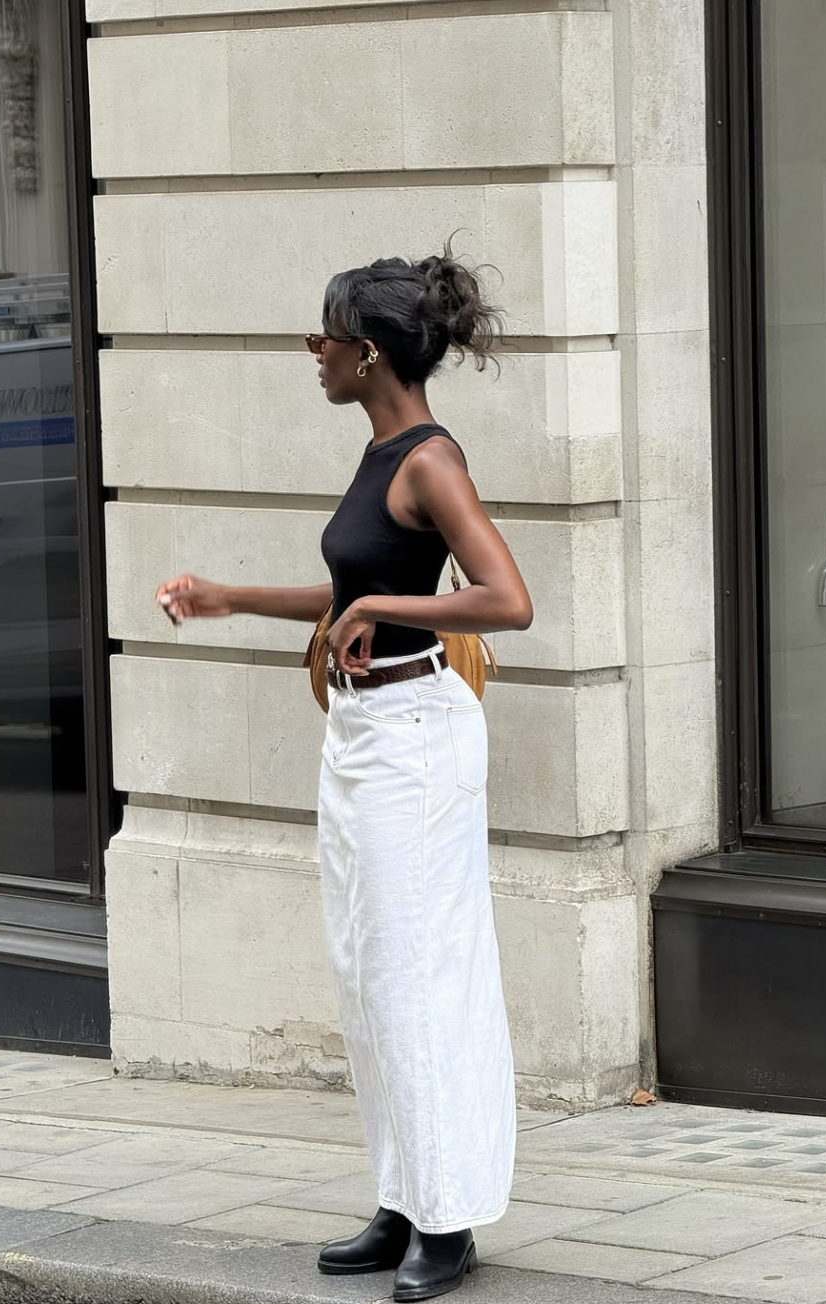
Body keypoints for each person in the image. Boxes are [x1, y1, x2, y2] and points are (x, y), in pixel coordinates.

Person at [156, 244, 533, 1303]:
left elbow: (507, 598)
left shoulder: (429, 460)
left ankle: (449, 1218)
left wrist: (379, 608)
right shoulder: (380, 455)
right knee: (369, 971)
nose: (311, 350)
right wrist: (229, 596)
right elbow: (355, 588)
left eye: (322, 335)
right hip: (366, 737)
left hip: (417, 734)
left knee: (417, 973)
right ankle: (404, 1197)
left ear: (366, 353)